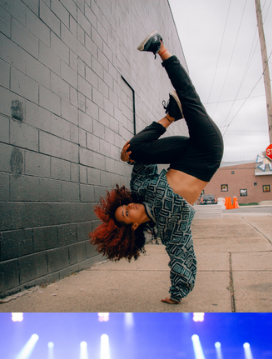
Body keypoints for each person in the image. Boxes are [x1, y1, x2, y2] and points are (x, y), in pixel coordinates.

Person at [89, 31, 224, 305]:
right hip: (208, 153)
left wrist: (128, 158)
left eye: (126, 206)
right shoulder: (168, 227)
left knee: (134, 147)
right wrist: (177, 292)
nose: (131, 207)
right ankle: (162, 51)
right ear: (135, 224)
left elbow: (140, 162)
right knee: (190, 98)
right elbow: (181, 254)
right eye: (128, 214)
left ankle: (170, 113)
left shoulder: (143, 190)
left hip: (183, 153)